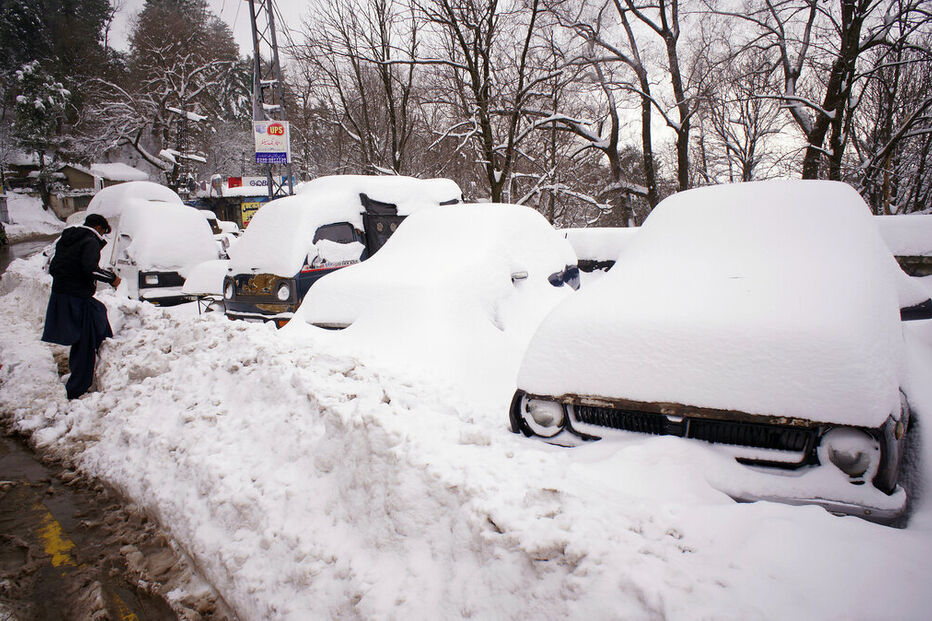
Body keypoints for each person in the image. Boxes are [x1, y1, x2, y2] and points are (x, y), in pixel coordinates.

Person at [42, 213, 121, 399]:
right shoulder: (90, 241)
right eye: (104, 233)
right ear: (99, 228)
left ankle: (107, 349)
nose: (103, 238)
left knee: (98, 313)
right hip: (77, 298)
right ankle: (78, 387)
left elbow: (53, 266)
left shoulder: (68, 238)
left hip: (62, 295)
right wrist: (112, 278)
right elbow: (90, 269)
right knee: (85, 340)